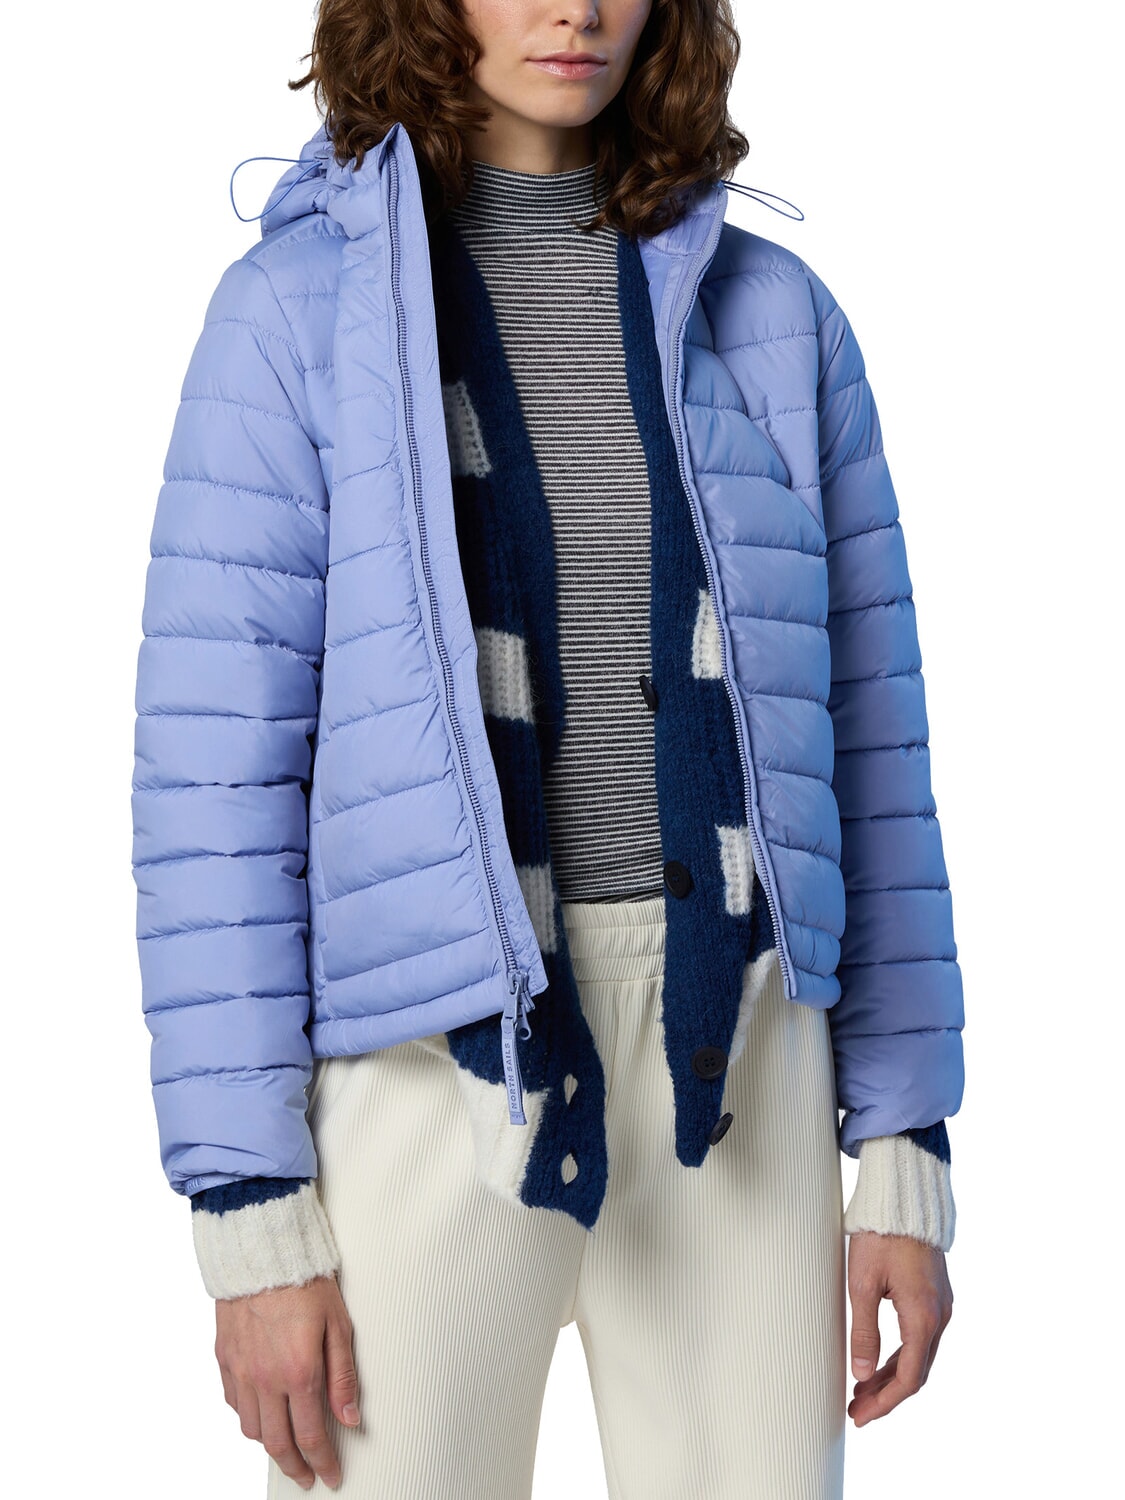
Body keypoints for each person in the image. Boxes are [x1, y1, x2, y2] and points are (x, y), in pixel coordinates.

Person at [131, 2, 965, 1496]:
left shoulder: (776, 318)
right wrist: (249, 1203)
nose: (574, 7)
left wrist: (903, 1141)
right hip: (427, 1055)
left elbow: (870, 746)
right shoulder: (294, 317)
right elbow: (213, 784)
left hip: (741, 1040)